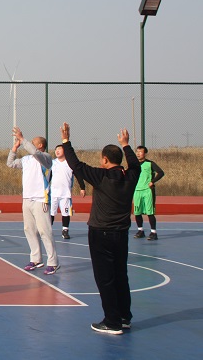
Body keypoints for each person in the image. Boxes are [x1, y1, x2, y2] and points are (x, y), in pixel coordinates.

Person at [60, 122, 140, 335]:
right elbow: (135, 165)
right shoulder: (130, 176)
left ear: (105, 160)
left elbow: (76, 165)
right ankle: (124, 317)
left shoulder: (101, 176)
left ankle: (112, 321)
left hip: (101, 233)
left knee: (105, 278)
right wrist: (126, 145)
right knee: (120, 275)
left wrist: (66, 141)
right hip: (121, 233)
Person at [6, 127, 59, 275]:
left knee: (44, 231)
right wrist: (15, 148)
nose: (30, 143)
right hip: (27, 199)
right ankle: (36, 259)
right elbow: (10, 163)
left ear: (40, 145)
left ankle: (53, 262)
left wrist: (23, 139)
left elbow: (35, 152)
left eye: (33, 142)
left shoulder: (46, 158)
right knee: (29, 229)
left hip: (41, 199)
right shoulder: (26, 160)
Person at [50, 144, 86, 239]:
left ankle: (65, 230)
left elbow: (78, 175)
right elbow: (48, 177)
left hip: (65, 194)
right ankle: (48, 230)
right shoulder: (52, 163)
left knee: (65, 213)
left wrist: (82, 187)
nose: (57, 151)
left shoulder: (70, 164)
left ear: (65, 151)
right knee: (51, 213)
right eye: (56, 149)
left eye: (59, 149)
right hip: (53, 193)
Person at [132, 146, 165, 241]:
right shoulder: (134, 165)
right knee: (137, 212)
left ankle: (153, 233)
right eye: (137, 151)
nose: (138, 153)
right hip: (137, 191)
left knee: (150, 212)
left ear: (145, 153)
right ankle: (140, 231)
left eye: (140, 152)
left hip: (147, 191)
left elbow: (161, 172)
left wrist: (152, 181)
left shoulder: (150, 164)